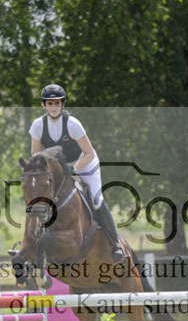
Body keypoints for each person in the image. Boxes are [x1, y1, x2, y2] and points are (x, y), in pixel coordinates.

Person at [28, 83, 126, 263]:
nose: (54, 107)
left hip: (84, 163)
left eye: (57, 103)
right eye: (50, 103)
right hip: (58, 168)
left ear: (63, 104)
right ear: (44, 105)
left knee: (96, 201)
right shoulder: (37, 125)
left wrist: (74, 169)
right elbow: (36, 157)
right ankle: (31, 243)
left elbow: (89, 153)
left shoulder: (73, 124)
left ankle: (115, 245)